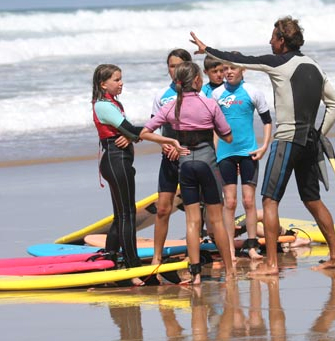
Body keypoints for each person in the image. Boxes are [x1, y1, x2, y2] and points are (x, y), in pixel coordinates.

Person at [189, 16, 335, 274]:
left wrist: (208, 50)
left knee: (270, 200)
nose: (270, 41)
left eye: (273, 37)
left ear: (282, 40)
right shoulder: (315, 66)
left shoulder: (279, 62)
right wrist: (319, 134)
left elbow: (243, 60)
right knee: (313, 200)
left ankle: (271, 263)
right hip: (308, 141)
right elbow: (334, 104)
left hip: (286, 139)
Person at [141, 62, 236, 284]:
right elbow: (228, 136)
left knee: (192, 221)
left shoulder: (172, 106)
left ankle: (195, 274)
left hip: (185, 165)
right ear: (197, 81)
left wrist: (170, 140)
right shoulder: (209, 103)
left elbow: (145, 132)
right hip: (206, 163)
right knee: (216, 220)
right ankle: (230, 270)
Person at [92, 64, 183, 285]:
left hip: (118, 161)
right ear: (103, 84)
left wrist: (132, 136)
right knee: (127, 215)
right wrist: (165, 139)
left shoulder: (113, 103)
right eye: (116, 80)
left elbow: (129, 132)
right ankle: (132, 267)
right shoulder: (103, 105)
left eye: (121, 79)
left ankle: (111, 257)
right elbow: (131, 129)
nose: (121, 83)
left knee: (122, 214)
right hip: (116, 161)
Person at [212, 64, 273, 261]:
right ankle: (229, 249)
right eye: (225, 69)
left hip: (249, 151)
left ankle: (252, 246)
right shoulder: (216, 94)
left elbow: (267, 120)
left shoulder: (252, 91)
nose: (228, 72)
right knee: (229, 202)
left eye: (233, 68)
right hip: (225, 153)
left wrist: (264, 146)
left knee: (248, 200)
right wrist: (214, 151)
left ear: (243, 70)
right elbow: (212, 125)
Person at [150, 49, 193, 266]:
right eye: (170, 66)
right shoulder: (161, 94)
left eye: (178, 65)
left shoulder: (199, 93)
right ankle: (157, 257)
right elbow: (153, 126)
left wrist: (183, 146)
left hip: (191, 156)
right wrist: (164, 144)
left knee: (191, 208)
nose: (174, 70)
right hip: (168, 157)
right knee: (163, 208)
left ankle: (191, 254)